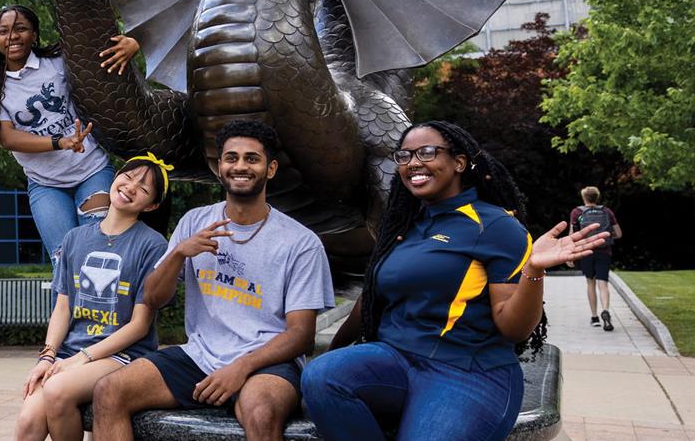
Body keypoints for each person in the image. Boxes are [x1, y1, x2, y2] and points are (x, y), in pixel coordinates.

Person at [301, 121, 607, 441]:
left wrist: (534, 269)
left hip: (468, 372)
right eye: (404, 155)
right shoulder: (403, 224)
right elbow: (372, 297)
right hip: (395, 360)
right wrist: (334, 352)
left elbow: (513, 328)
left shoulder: (495, 226)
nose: (414, 162)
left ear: (459, 163)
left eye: (428, 152)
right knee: (322, 377)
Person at [92, 121, 333, 441]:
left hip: (266, 363)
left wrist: (241, 368)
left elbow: (301, 335)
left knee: (260, 414)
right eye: (231, 158)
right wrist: (179, 253)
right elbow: (152, 298)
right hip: (199, 356)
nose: (240, 166)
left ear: (270, 168)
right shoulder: (195, 221)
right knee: (109, 391)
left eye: (252, 158)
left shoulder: (300, 243)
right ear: (219, 167)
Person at [17, 155, 172, 441]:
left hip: (123, 356)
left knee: (57, 390)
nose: (131, 186)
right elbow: (63, 307)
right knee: (28, 420)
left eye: (144, 187)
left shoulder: (152, 245)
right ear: (114, 179)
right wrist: (47, 356)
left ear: (151, 205)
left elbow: (139, 325)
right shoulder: (75, 238)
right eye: (128, 176)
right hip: (70, 354)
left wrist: (82, 359)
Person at [0, 5, 139, 258]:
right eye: (3, 31)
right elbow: (7, 138)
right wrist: (60, 142)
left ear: (35, 35)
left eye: (21, 29)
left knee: (99, 252)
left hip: (91, 170)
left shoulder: (57, 62)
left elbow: (102, 52)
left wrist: (132, 45)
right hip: (45, 184)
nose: (12, 37)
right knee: (63, 258)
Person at [570, 185, 623, 331]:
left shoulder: (577, 212)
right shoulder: (606, 211)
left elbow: (572, 236)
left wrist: (570, 255)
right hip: (604, 251)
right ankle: (605, 310)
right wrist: (606, 235)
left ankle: (594, 317)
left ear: (584, 198)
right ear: (597, 197)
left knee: (590, 283)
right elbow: (618, 233)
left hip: (586, 251)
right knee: (603, 284)